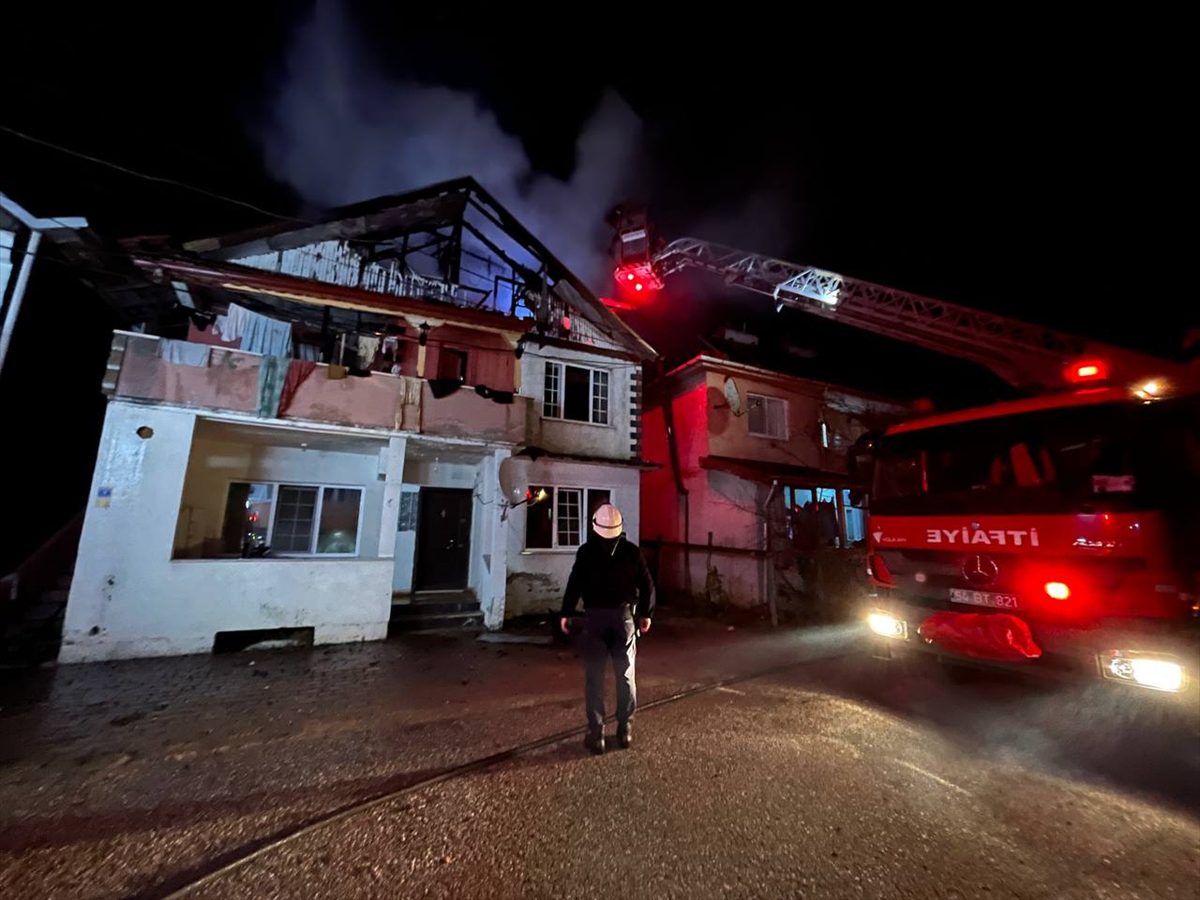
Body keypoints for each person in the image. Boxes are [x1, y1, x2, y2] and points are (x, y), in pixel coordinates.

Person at [560, 503, 655, 755]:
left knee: (594, 678)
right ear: (620, 526)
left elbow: (574, 583)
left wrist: (567, 612)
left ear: (594, 526)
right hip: (623, 619)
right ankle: (625, 731)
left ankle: (597, 735)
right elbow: (647, 586)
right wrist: (646, 614)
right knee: (626, 676)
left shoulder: (586, 552)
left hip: (594, 621)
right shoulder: (632, 552)